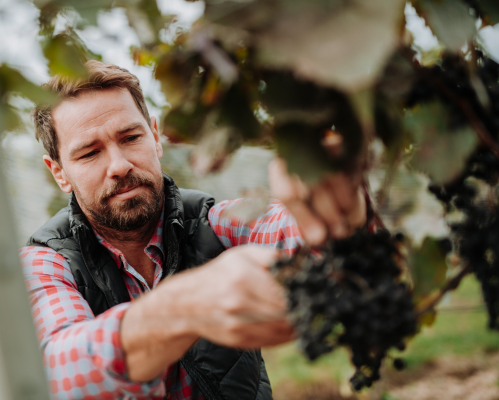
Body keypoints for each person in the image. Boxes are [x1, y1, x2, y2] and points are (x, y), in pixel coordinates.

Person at [20, 61, 367, 400]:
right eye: (90, 153)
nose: (119, 165)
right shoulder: (44, 263)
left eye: (130, 138)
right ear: (59, 172)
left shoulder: (213, 221)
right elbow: (57, 372)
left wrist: (339, 209)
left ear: (155, 137)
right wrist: (183, 306)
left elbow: (290, 233)